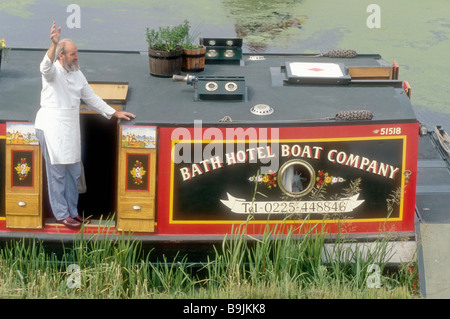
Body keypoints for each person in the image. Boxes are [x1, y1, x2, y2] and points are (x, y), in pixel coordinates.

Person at [35, 22, 136, 228]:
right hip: (51, 126)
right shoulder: (53, 72)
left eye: (77, 53)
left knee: (73, 172)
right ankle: (62, 215)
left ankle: (72, 211)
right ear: (61, 56)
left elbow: (91, 98)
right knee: (57, 174)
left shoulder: (78, 74)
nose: (77, 56)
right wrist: (53, 44)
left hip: (70, 128)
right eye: (73, 54)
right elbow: (44, 67)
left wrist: (114, 112)